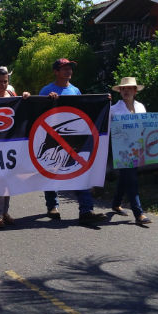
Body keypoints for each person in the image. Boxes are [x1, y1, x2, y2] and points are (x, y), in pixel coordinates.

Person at [39, 58, 107, 225]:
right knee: (52, 170)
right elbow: (37, 113)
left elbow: (81, 111)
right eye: (64, 68)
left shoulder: (75, 90)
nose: (68, 71)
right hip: (53, 137)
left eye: (70, 68)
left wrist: (104, 100)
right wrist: (47, 101)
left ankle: (86, 210)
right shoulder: (46, 90)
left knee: (78, 171)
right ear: (56, 72)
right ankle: (52, 206)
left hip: (74, 137)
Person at [110, 77, 158, 225]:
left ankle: (115, 203)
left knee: (126, 176)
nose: (126, 91)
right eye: (123, 89)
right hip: (122, 150)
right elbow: (106, 129)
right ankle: (139, 214)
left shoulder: (141, 107)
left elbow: (148, 125)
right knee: (131, 179)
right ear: (120, 91)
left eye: (129, 88)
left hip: (137, 148)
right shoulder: (113, 110)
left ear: (135, 91)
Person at [0, 68, 31, 228]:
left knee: (9, 179)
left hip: (12, 146)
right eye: (0, 82)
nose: (3, 84)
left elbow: (24, 111)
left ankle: (5, 212)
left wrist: (26, 97)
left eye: (5, 81)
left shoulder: (14, 97)